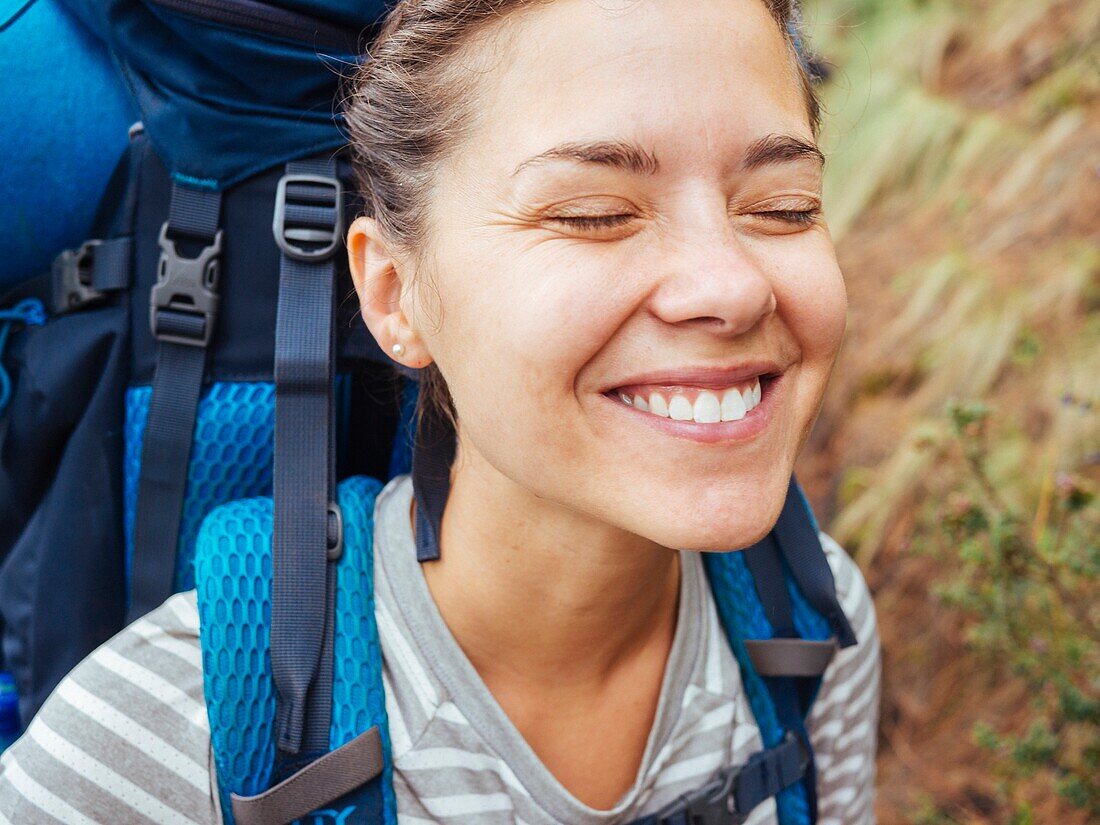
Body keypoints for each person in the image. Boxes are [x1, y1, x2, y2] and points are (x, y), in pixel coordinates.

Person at [0, 0, 881, 822]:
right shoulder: (138, 752)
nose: (729, 286)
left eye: (782, 206)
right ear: (393, 293)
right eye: (595, 214)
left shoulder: (811, 620)